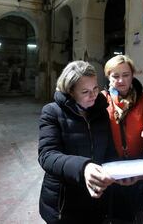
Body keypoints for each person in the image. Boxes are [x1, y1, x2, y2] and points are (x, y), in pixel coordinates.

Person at [37, 60, 117, 223]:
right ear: (70, 92)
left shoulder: (100, 112)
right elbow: (47, 155)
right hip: (64, 202)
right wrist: (84, 167)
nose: (93, 95)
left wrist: (120, 173)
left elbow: (109, 151)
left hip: (97, 198)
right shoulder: (52, 112)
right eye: (85, 91)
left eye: (95, 88)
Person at [102, 55, 143, 223]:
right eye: (115, 76)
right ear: (108, 77)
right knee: (114, 213)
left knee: (138, 209)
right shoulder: (102, 100)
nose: (121, 80)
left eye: (126, 74)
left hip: (137, 164)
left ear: (132, 75)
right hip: (112, 165)